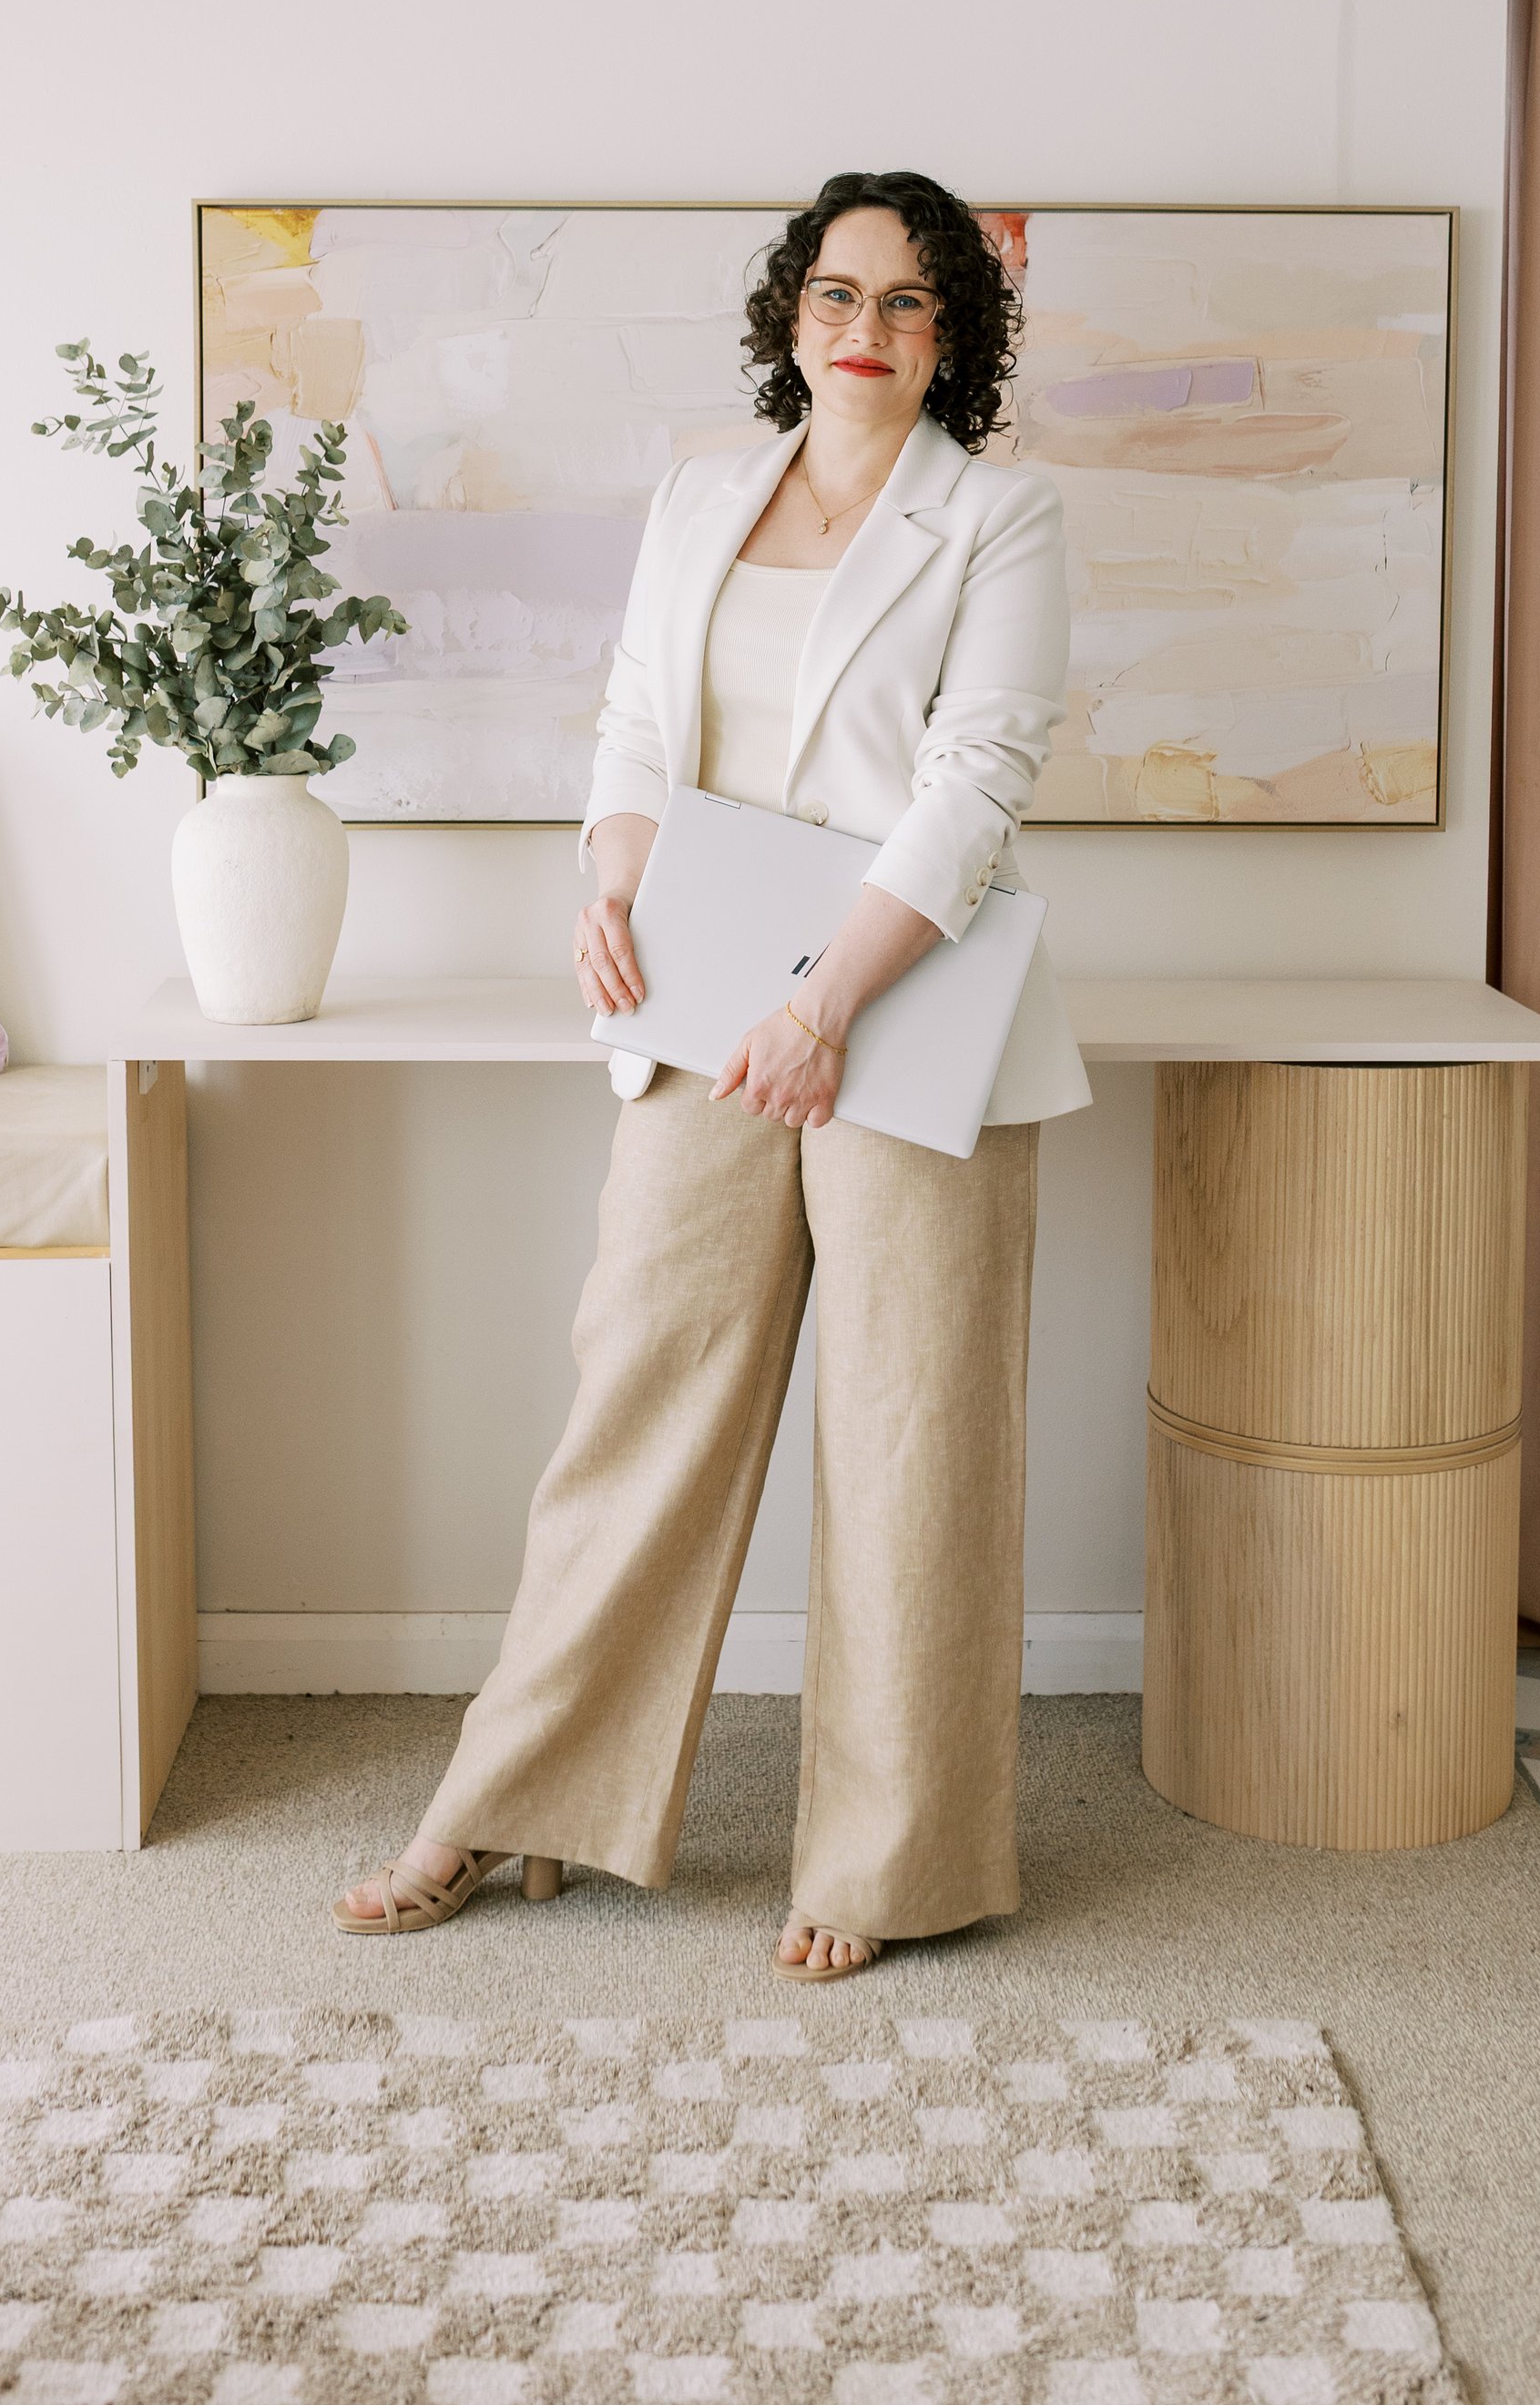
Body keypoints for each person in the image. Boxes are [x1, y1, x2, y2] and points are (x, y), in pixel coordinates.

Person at [333, 171, 1090, 1979]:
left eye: (909, 304)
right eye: (839, 292)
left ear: (949, 336)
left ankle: (887, 1862)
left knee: (911, 1435)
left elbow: (973, 785)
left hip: (903, 1011)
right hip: (696, 1003)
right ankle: (505, 1806)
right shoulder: (697, 497)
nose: (866, 327)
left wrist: (825, 998)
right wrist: (606, 881)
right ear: (789, 310)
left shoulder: (1000, 517)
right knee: (634, 1410)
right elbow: (631, 732)